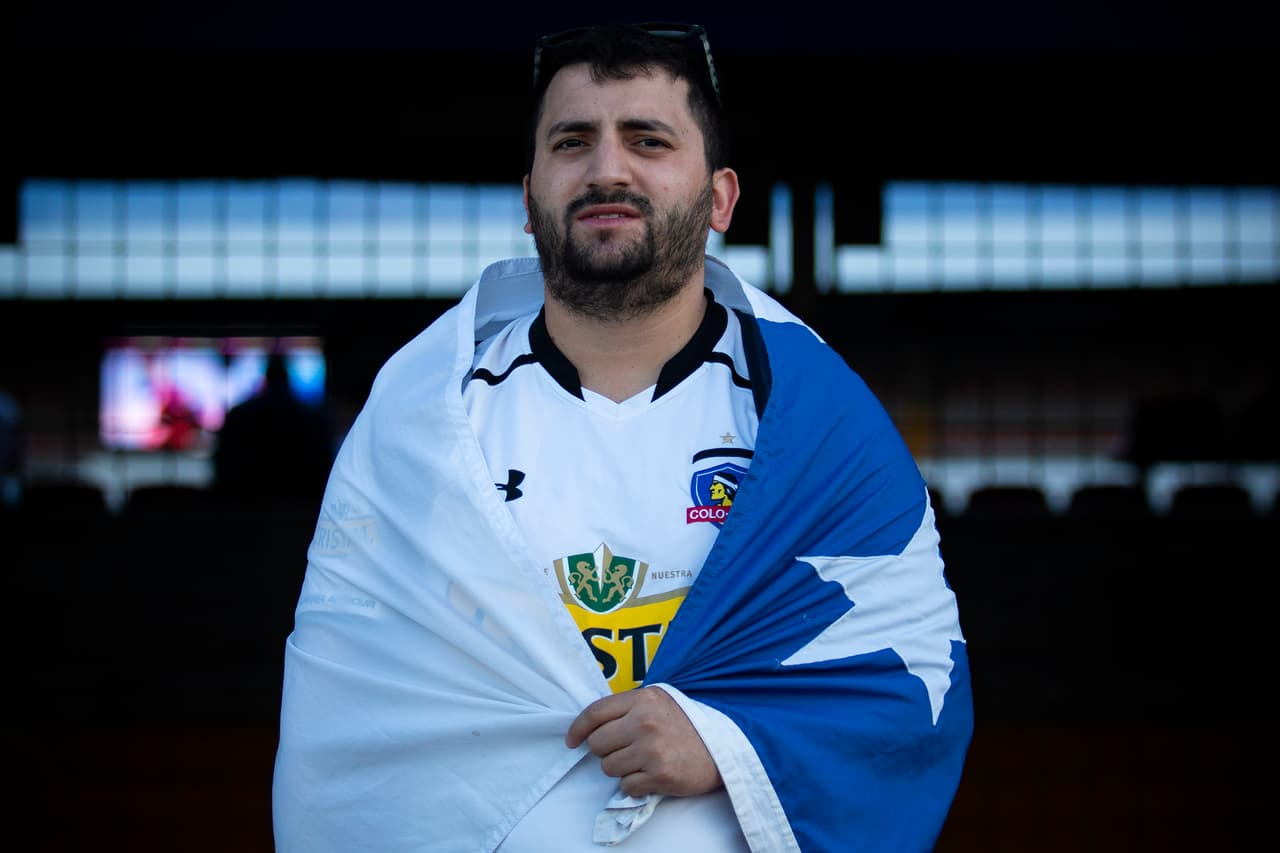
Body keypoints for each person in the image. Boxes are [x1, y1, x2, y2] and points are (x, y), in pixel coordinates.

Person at [273, 22, 972, 853]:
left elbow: (910, 682)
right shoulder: (424, 424)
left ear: (720, 198)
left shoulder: (816, 425)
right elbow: (349, 708)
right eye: (573, 142)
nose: (608, 169)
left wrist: (726, 742)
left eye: (648, 139)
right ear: (528, 197)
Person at [213, 352, 334, 506]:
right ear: (287, 379)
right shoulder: (310, 416)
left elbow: (223, 463)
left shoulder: (240, 414)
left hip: (245, 505)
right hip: (299, 507)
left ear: (266, 379)